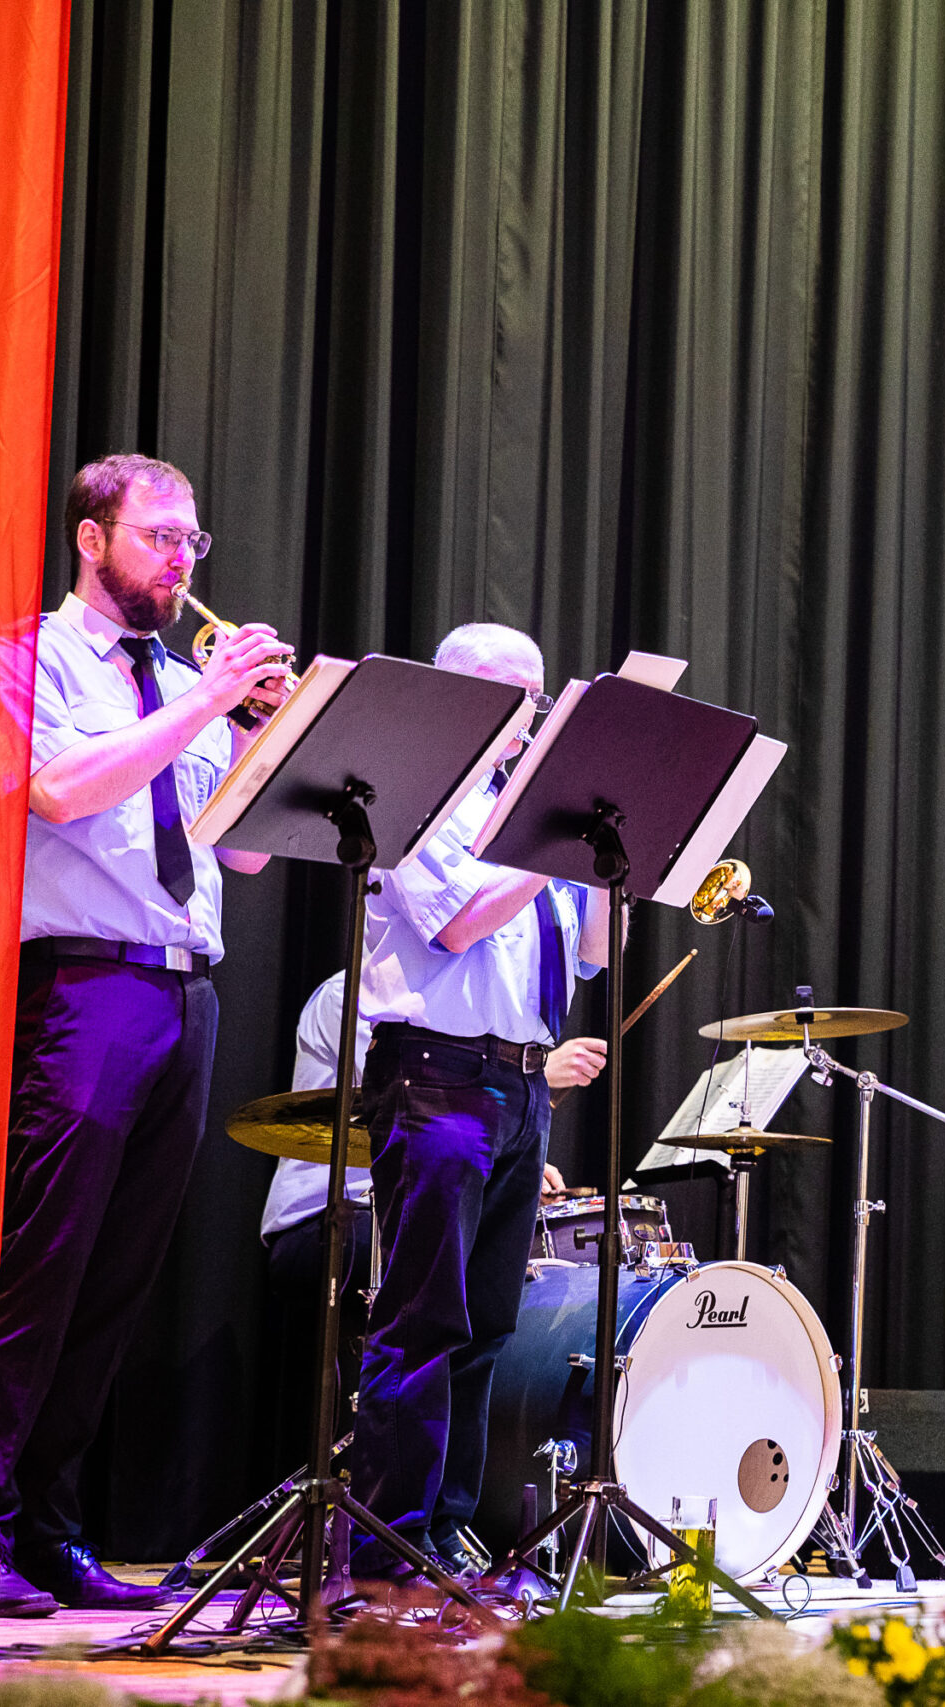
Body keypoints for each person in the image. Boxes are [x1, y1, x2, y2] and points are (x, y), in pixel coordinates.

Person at [0, 454, 294, 1617]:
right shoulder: (27, 655)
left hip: (187, 990)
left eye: (193, 542)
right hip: (83, 986)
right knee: (42, 1268)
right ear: (91, 541)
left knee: (117, 1281)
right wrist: (206, 702)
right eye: (159, 537)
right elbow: (61, 791)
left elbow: (244, 853)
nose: (182, 562)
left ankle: (48, 1533)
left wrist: (268, 733)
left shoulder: (182, 680)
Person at [346, 622, 608, 1581]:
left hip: (521, 1081)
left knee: (488, 1322)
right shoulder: (417, 793)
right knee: (425, 1317)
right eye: (514, 694)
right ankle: (387, 1546)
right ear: (456, 692)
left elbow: (593, 955)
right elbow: (457, 923)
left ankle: (445, 1535)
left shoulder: (513, 809)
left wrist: (604, 851)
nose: (529, 715)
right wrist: (552, 841)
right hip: (438, 1073)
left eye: (537, 696)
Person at [259, 970, 598, 1531]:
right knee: (431, 1317)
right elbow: (400, 1112)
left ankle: (449, 1523)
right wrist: (528, 1074)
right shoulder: (366, 994)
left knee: (486, 1320)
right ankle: (393, 1530)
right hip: (327, 1216)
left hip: (405, 1197)